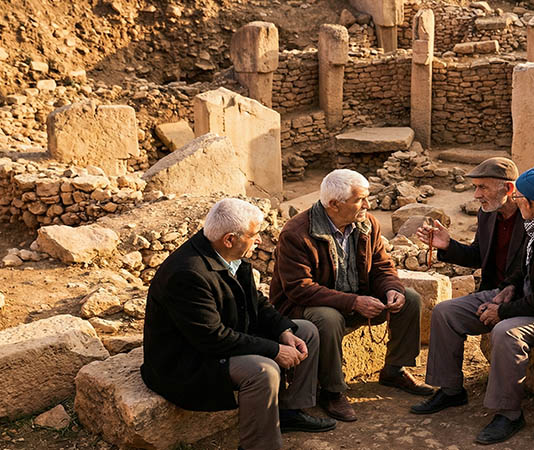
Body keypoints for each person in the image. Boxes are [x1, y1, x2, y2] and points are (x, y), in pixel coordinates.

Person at [411, 166, 534, 445]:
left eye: (483, 187)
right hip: (524, 296)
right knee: (446, 312)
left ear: (523, 199)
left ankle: (508, 414)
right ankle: (451, 390)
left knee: (506, 331)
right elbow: (523, 265)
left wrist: (501, 311)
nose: (477, 194)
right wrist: (508, 288)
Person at [141, 198, 335, 450]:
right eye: (254, 235)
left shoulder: (229, 255)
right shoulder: (187, 274)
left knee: (305, 331)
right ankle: (259, 445)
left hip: (223, 338)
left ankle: (288, 412)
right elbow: (213, 339)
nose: (259, 241)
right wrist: (274, 350)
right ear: (229, 239)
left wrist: (283, 331)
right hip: (187, 362)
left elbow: (257, 303)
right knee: (263, 370)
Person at [270, 169, 432, 423]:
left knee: (409, 299)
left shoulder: (367, 224)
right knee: (328, 318)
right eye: (360, 200)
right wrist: (354, 301)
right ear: (334, 204)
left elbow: (381, 267)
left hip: (353, 300)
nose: (367, 205)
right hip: (303, 307)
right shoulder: (297, 233)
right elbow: (299, 288)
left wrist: (392, 289)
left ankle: (394, 369)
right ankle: (332, 391)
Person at [416, 157, 525, 291]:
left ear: (508, 188)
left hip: (521, 297)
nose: (476, 195)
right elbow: (478, 256)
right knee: (443, 311)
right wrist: (448, 245)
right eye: (476, 187)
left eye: (482, 187)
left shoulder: (530, 217)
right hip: (491, 293)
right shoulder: (487, 213)